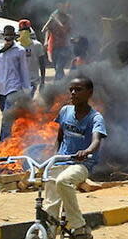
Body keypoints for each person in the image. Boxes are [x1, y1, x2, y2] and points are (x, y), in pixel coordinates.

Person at [45, 77, 105, 239]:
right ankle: (48, 233)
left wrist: (86, 151)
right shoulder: (65, 111)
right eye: (71, 89)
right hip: (61, 160)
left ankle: (80, 227)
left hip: (82, 164)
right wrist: (55, 156)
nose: (73, 93)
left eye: (78, 89)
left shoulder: (95, 118)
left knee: (63, 181)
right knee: (50, 202)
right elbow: (59, 136)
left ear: (89, 93)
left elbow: (96, 141)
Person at [42, 0, 72, 80]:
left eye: (62, 6)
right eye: (59, 6)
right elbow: (46, 30)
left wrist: (57, 21)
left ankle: (57, 85)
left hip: (64, 46)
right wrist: (46, 42)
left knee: (59, 66)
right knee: (56, 67)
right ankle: (63, 84)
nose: (60, 8)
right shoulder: (52, 18)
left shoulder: (68, 18)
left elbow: (65, 31)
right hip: (54, 46)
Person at [18, 19, 47, 95]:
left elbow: (42, 64)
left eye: (26, 30)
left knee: (28, 100)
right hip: (18, 81)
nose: (24, 32)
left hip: (33, 80)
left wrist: (42, 81)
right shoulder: (16, 46)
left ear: (29, 31)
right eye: (22, 30)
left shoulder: (37, 45)